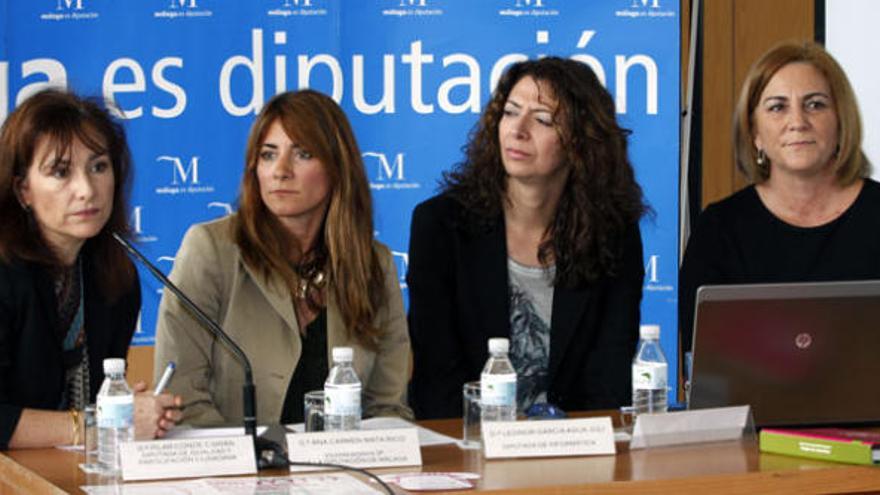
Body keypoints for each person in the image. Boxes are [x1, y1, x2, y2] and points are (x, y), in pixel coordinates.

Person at [407, 57, 649, 419]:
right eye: (510, 112)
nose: (517, 130)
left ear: (580, 142)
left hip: (572, 448)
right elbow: (436, 375)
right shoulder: (441, 225)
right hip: (468, 443)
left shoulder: (612, 232)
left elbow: (609, 375)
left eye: (542, 120)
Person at [154, 89, 412, 426]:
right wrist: (256, 459)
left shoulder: (373, 263)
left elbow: (387, 406)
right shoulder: (210, 250)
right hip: (233, 470)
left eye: (303, 154)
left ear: (337, 167)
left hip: (343, 470)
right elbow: (181, 397)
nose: (281, 171)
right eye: (268, 154)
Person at [0, 89, 181, 450]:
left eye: (98, 166)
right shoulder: (5, 275)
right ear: (23, 190)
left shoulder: (115, 279)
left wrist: (129, 409)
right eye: (61, 172)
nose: (86, 189)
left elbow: (98, 401)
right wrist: (100, 426)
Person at [679, 41, 878, 358]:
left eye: (815, 104)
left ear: (841, 121)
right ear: (754, 132)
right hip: (757, 409)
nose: (797, 121)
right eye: (777, 107)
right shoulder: (720, 229)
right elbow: (707, 360)